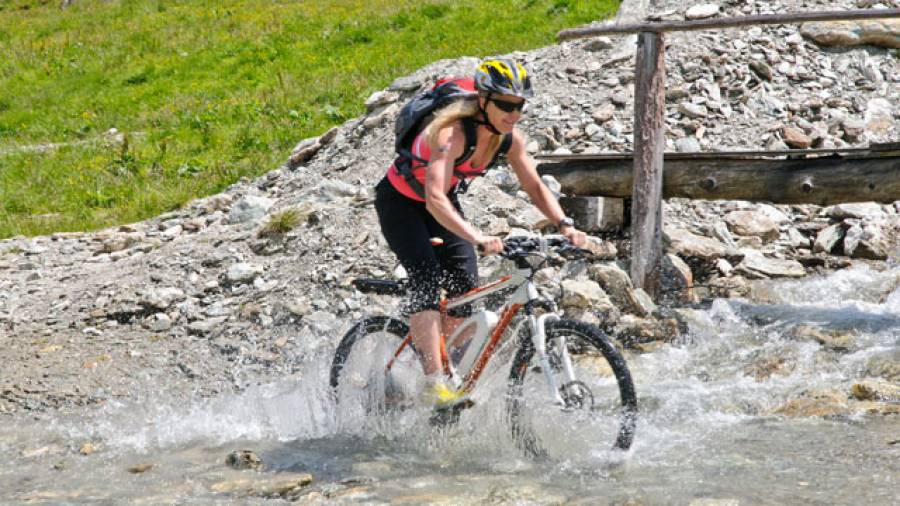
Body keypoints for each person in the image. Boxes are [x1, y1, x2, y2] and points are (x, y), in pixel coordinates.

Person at [374, 59, 586, 407]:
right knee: (425, 280)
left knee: (466, 293)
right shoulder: (451, 133)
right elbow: (435, 197)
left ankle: (446, 366)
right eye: (505, 105)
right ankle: (434, 384)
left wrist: (565, 225)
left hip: (442, 206)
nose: (513, 113)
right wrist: (477, 236)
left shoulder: (509, 139)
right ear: (483, 99)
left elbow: (533, 185)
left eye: (519, 106)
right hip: (401, 203)